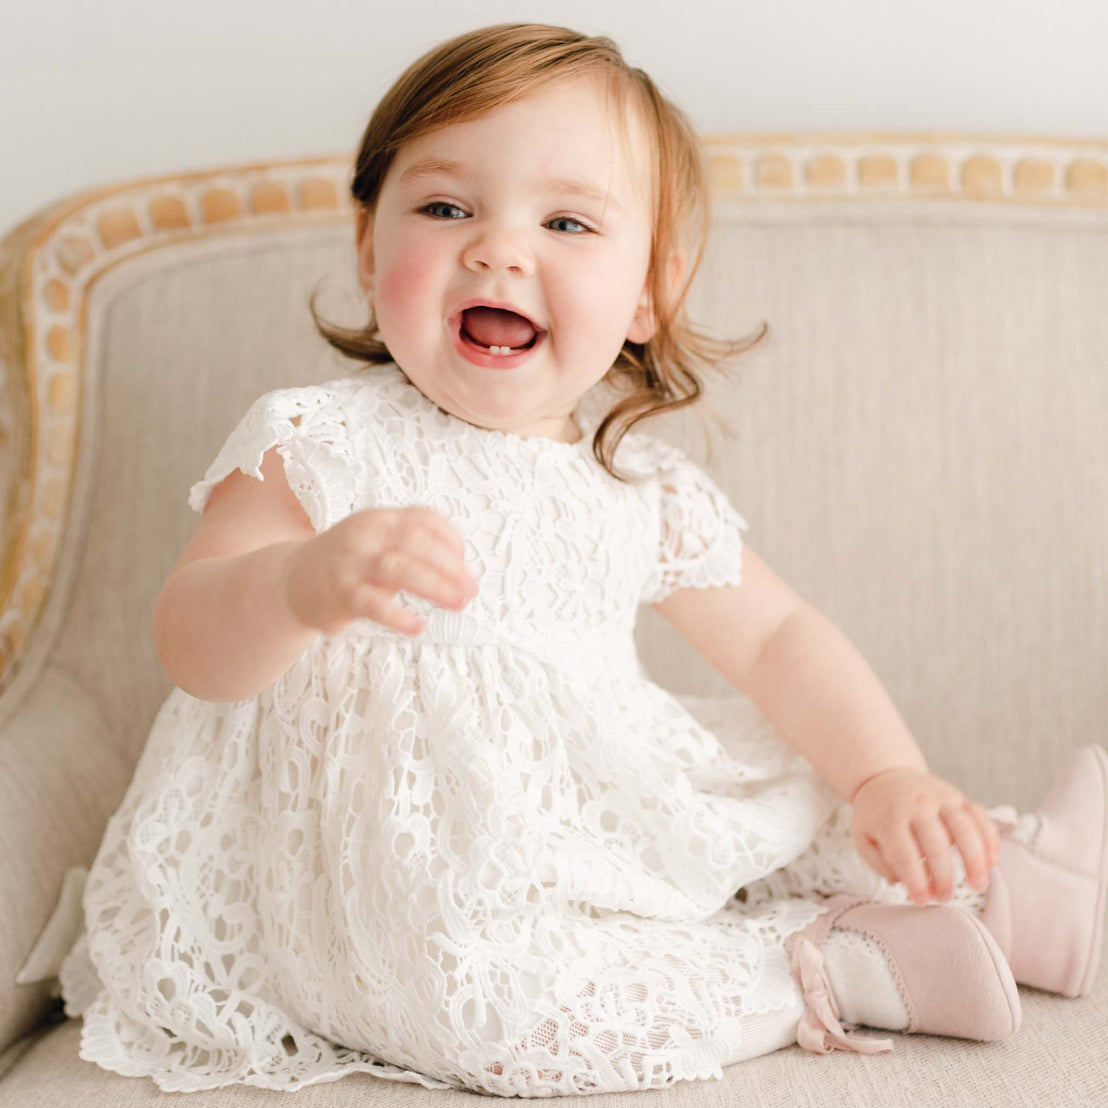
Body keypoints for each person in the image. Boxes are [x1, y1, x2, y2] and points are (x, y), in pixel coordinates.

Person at [27, 21, 1105, 1098]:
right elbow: (192, 646)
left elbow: (778, 639)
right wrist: (296, 585)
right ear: (367, 246)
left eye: (567, 221)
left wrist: (887, 772)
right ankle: (828, 965)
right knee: (497, 1014)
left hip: (581, 816)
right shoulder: (314, 445)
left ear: (647, 293)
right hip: (383, 884)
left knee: (804, 798)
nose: (497, 248)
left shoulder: (633, 486)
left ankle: (1004, 876)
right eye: (445, 207)